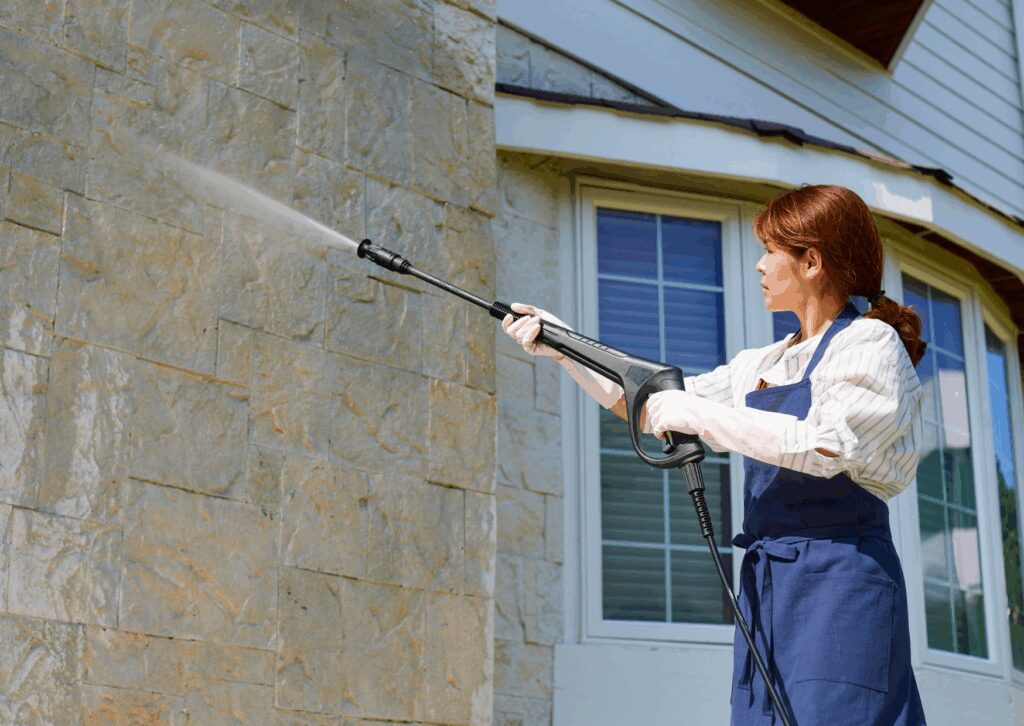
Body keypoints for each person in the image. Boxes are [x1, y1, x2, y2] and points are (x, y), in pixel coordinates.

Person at [502, 184, 928, 725]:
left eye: (772, 251)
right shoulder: (761, 362)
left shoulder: (869, 345)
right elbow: (648, 406)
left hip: (841, 583)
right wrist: (561, 343)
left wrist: (698, 415)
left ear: (812, 261)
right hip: (769, 585)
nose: (759, 265)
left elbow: (824, 443)